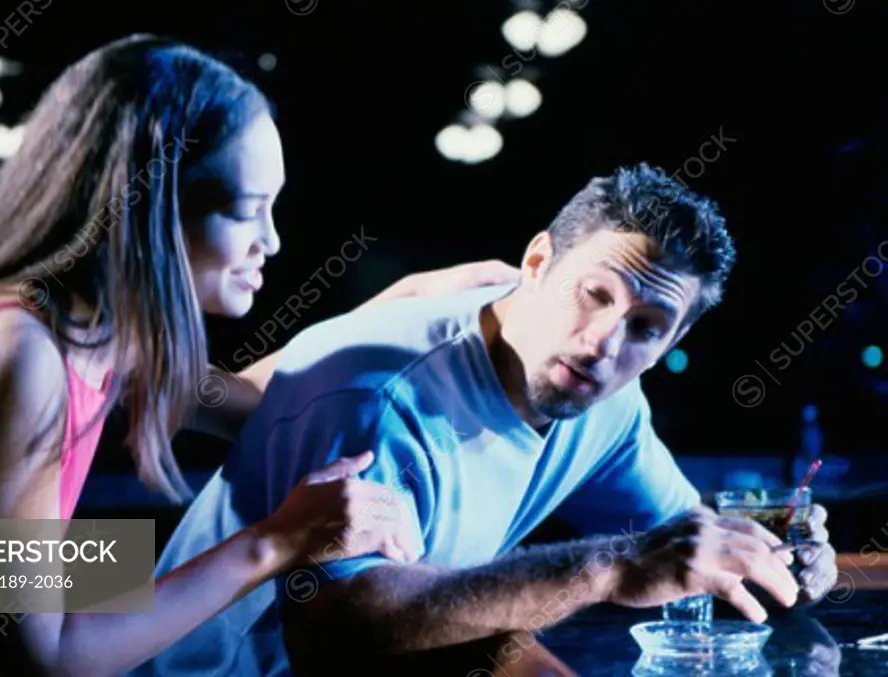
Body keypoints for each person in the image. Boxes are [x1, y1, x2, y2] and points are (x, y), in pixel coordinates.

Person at [0, 34, 517, 677]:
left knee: (175, 580)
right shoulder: (17, 351)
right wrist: (278, 540)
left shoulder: (94, 334)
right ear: (149, 207)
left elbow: (263, 403)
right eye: (246, 210)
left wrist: (405, 302)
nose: (272, 239)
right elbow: (33, 660)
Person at [142, 163, 838, 676]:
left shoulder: (610, 403)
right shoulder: (376, 390)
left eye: (647, 327)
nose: (603, 342)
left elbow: (679, 544)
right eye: (592, 293)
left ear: (671, 343)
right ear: (537, 261)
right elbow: (338, 631)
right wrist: (609, 567)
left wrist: (774, 555)